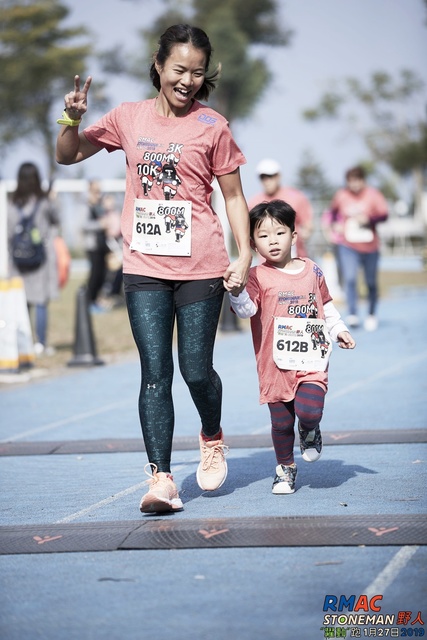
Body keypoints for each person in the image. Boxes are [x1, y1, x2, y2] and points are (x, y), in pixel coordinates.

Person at [56, 24, 251, 514]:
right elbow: (68, 155)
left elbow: (233, 197)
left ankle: (211, 436)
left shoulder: (213, 126)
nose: (187, 80)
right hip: (143, 264)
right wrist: (70, 119)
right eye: (179, 69)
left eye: (197, 73)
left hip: (201, 264)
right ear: (159, 65)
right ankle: (162, 478)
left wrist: (244, 252)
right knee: (154, 373)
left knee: (195, 371)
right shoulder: (127, 118)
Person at [229, 200, 356, 494]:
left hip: (312, 358)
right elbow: (247, 310)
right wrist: (236, 292)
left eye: (279, 233)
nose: (272, 241)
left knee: (309, 410)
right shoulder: (257, 276)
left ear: (294, 236)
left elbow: (324, 304)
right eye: (263, 236)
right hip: (274, 365)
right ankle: (285, 468)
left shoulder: (312, 270)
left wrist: (339, 329)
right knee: (281, 423)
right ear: (252, 243)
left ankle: (310, 429)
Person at [325, 165, 389, 331]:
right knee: (350, 278)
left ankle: (371, 314)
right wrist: (335, 224)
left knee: (370, 282)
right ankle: (352, 313)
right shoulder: (341, 195)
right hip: (349, 245)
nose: (353, 185)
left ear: (363, 180)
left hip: (370, 246)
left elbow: (384, 215)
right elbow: (332, 212)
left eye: (356, 181)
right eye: (350, 181)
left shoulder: (373, 195)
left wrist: (369, 220)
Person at [7, 162, 60, 356]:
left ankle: (24, 343)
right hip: (41, 258)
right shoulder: (44, 201)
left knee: (21, 303)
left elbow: (8, 233)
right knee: (40, 301)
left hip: (19, 260)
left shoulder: (12, 203)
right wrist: (53, 198)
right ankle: (41, 343)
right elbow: (56, 219)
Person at [247, 158, 313, 257]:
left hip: (295, 256)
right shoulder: (254, 203)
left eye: (270, 176)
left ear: (278, 176)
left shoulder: (296, 197)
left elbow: (307, 223)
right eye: (263, 177)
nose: (267, 181)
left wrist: (302, 235)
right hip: (267, 262)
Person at [82, 180, 110, 313]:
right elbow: (83, 225)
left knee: (102, 275)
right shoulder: (85, 206)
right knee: (94, 275)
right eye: (96, 191)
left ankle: (96, 301)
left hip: (102, 245)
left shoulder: (100, 206)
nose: (98, 194)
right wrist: (100, 225)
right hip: (92, 246)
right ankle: (88, 301)